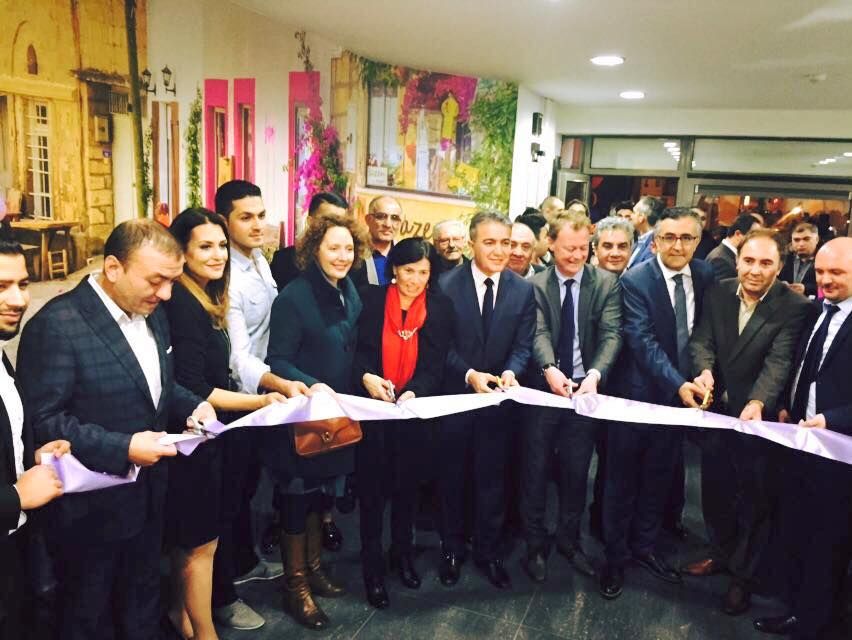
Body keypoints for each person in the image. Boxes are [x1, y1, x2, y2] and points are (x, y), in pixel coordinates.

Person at [17, 219, 215, 640]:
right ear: (113, 268)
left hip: (149, 497)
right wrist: (123, 447)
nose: (166, 294)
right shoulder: (57, 325)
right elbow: (44, 421)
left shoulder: (153, 314)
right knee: (87, 617)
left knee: (142, 606)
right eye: (156, 281)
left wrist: (192, 406)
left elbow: (156, 388)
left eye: (172, 282)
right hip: (89, 514)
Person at [163, 208, 289, 639]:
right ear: (180, 252)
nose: (217, 254)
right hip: (194, 437)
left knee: (196, 540)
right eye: (205, 246)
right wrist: (261, 399)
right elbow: (196, 387)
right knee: (199, 543)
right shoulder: (184, 305)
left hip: (206, 432)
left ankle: (183, 617)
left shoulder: (202, 295)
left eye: (220, 245)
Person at [685, 229, 814, 616]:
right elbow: (702, 340)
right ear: (737, 260)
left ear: (780, 266)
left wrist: (758, 401)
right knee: (715, 491)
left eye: (765, 263)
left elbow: (779, 361)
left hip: (759, 420)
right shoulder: (719, 291)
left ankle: (743, 577)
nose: (755, 270)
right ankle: (720, 552)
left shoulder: (793, 306)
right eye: (749, 261)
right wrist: (704, 370)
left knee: (755, 500)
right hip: (717, 413)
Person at [599, 207, 715, 601]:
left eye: (686, 237)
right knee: (621, 483)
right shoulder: (636, 280)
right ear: (655, 241)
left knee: (658, 478)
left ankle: (645, 547)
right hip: (636, 397)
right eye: (668, 237)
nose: (677, 245)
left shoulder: (705, 275)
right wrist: (678, 384)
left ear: (697, 241)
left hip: (681, 402)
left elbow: (704, 333)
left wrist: (702, 372)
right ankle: (614, 559)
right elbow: (641, 340)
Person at [263, 210, 369, 629]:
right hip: (301, 416)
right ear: (315, 250)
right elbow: (278, 360)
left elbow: (349, 348)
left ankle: (314, 570)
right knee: (296, 498)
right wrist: (313, 385)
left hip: (335, 415)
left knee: (321, 497)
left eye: (349, 248)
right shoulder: (294, 297)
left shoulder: (349, 290)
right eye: (333, 248)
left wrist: (364, 376)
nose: (342, 256)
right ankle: (296, 588)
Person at [754, 237, 852, 639]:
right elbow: (805, 368)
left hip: (839, 452)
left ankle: (815, 623)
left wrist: (833, 419)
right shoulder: (818, 311)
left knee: (829, 542)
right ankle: (803, 608)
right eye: (821, 271)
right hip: (801, 440)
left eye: (837, 273)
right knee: (802, 530)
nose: (825, 280)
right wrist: (789, 407)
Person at [521, 211, 622, 583]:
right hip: (543, 390)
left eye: (583, 248)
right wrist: (549, 368)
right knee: (535, 470)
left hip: (585, 390)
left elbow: (612, 334)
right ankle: (534, 544)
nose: (577, 255)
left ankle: (569, 539)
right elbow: (538, 332)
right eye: (569, 248)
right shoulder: (534, 285)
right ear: (550, 244)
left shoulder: (606, 283)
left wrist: (595, 375)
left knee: (577, 471)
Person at [436, 211, 535, 591]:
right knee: (452, 478)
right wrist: (468, 374)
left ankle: (489, 552)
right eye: (490, 242)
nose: (499, 250)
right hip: (456, 399)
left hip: (499, 405)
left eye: (505, 242)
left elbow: (523, 345)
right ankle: (451, 550)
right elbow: (440, 346)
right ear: (472, 243)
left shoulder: (522, 290)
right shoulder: (445, 285)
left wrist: (511, 371)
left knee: (493, 481)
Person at [212, 180, 295, 631]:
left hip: (262, 392)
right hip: (237, 397)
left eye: (261, 215)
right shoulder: (228, 274)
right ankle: (221, 594)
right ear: (225, 222)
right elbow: (237, 356)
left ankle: (244, 561)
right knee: (227, 496)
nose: (258, 224)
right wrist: (275, 382)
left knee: (246, 488)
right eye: (246, 217)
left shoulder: (259, 259)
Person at [353, 238, 453, 609]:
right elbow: (358, 352)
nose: (415, 279)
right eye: (409, 270)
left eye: (423, 272)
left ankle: (402, 554)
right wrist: (367, 377)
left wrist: (415, 391)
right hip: (374, 411)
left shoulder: (440, 307)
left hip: (413, 414)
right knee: (372, 493)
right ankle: (372, 568)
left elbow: (435, 364)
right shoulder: (371, 300)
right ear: (394, 268)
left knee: (407, 491)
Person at [0, 238, 69, 639]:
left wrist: (29, 457)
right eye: (1, 286)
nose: (18, 300)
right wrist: (16, 496)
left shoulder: (2, 353)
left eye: (23, 284)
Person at [269, 191, 349, 290]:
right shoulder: (284, 261)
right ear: (310, 222)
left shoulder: (350, 264)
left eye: (341, 223)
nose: (336, 228)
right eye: (328, 221)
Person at [350, 195, 403, 287]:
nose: (388, 224)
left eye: (394, 218)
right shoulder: (353, 252)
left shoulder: (405, 255)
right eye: (381, 217)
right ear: (368, 220)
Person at [705, 213, 760, 280]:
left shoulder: (725, 256)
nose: (757, 241)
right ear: (738, 234)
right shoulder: (720, 260)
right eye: (753, 236)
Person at [779, 221, 819, 298]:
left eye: (806, 239)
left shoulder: (825, 260)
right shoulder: (784, 258)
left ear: (817, 239)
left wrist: (806, 289)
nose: (801, 244)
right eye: (796, 240)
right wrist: (780, 285)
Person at [625, 196, 665, 269]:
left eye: (634, 212)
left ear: (641, 218)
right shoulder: (638, 241)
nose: (630, 216)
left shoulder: (654, 246)